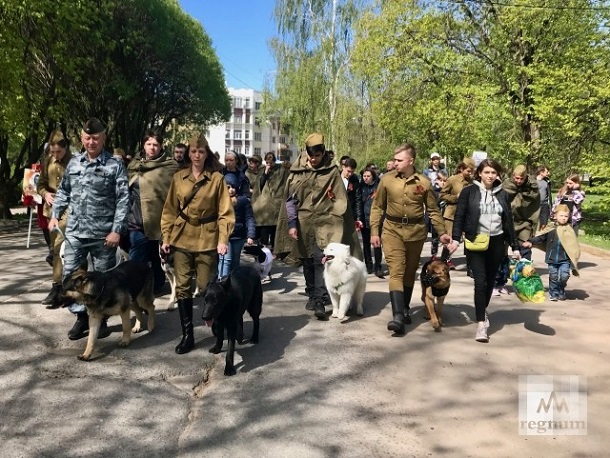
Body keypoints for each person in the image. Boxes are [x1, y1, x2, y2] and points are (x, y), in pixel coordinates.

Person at [48, 118, 130, 340]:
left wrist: (116, 230)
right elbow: (64, 191)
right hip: (75, 231)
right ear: (81, 139)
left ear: (103, 138)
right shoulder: (74, 163)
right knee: (70, 277)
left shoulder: (115, 165)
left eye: (95, 138)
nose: (91, 142)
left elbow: (123, 199)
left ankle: (100, 319)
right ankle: (81, 318)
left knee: (101, 281)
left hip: (104, 235)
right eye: (87, 138)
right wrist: (55, 215)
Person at [160, 133, 234, 354]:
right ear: (188, 153)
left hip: (207, 237)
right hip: (182, 236)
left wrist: (223, 239)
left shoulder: (217, 179)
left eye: (201, 151)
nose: (197, 155)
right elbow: (169, 210)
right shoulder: (179, 178)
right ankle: (187, 335)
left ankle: (218, 325)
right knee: (182, 286)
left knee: (204, 287)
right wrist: (166, 237)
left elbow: (225, 213)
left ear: (206, 153)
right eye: (193, 151)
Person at [274, 133, 362, 319]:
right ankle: (313, 294)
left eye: (318, 156)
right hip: (303, 222)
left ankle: (320, 300)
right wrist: (291, 224)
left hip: (327, 222)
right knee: (306, 259)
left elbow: (341, 199)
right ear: (305, 152)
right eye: (310, 155)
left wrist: (335, 210)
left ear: (323, 153)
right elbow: (290, 201)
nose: (313, 160)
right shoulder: (296, 171)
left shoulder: (331, 171)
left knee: (320, 259)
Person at [370, 143, 450, 335]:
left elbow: (433, 210)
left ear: (410, 161)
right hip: (392, 231)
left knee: (409, 272)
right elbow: (377, 207)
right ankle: (397, 316)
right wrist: (374, 231)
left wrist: (442, 232)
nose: (395, 163)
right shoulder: (387, 180)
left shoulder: (424, 182)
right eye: (395, 159)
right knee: (396, 270)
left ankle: (405, 308)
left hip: (415, 232)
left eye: (399, 160)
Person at [447, 158, 520, 343]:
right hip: (475, 241)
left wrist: (515, 246)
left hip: (497, 243)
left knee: (489, 281)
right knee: (480, 282)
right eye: (487, 172)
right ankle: (481, 324)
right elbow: (460, 216)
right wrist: (455, 239)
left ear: (498, 175)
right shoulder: (469, 192)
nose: (490, 176)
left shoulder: (502, 194)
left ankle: (482, 310)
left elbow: (508, 221)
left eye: (493, 172)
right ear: (479, 173)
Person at [126, 129, 179, 293]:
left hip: (161, 222)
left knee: (157, 259)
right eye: (148, 144)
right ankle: (137, 292)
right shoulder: (134, 165)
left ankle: (157, 284)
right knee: (137, 261)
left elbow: (177, 195)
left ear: (161, 146)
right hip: (137, 221)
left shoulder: (170, 166)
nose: (152, 147)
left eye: (155, 144)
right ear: (143, 146)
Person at [37, 130, 73, 308]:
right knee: (55, 249)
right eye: (52, 152)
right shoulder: (48, 161)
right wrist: (45, 194)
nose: (55, 155)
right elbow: (40, 184)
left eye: (58, 152)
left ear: (65, 148)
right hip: (50, 211)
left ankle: (57, 287)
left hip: (68, 211)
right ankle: (64, 288)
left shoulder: (75, 163)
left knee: (59, 247)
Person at [522, 204, 580, 301]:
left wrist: (574, 260)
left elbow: (573, 246)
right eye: (561, 216)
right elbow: (541, 238)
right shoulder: (551, 229)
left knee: (564, 276)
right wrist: (531, 241)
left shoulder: (569, 230)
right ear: (555, 216)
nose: (564, 218)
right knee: (553, 276)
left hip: (564, 259)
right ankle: (553, 292)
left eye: (566, 216)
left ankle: (561, 288)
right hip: (552, 258)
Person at [217, 172, 256, 278]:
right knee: (226, 260)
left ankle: (234, 283)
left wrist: (250, 235)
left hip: (239, 236)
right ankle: (222, 282)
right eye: (228, 187)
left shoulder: (243, 201)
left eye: (233, 187)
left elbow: (249, 218)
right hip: (225, 236)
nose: (231, 190)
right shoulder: (219, 200)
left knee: (235, 261)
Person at [438, 159, 475, 267]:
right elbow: (442, 195)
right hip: (452, 214)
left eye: (472, 171)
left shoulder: (471, 182)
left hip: (467, 214)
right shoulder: (452, 180)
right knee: (450, 239)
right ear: (461, 169)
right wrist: (456, 197)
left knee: (467, 239)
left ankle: (471, 262)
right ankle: (444, 260)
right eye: (468, 171)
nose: (470, 173)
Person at [252, 151, 290, 250]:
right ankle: (262, 249)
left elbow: (290, 170)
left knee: (275, 228)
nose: (270, 162)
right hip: (264, 206)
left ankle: (274, 249)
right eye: (267, 160)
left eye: (271, 160)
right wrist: (265, 172)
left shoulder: (281, 169)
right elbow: (259, 185)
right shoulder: (262, 170)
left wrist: (286, 164)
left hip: (276, 204)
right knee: (265, 227)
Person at [356, 166, 384, 277]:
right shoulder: (360, 187)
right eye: (364, 176)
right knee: (366, 243)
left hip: (376, 220)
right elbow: (358, 203)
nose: (366, 178)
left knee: (377, 243)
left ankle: (378, 266)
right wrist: (358, 218)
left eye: (368, 176)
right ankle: (368, 265)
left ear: (373, 176)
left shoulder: (378, 186)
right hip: (364, 218)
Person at [429, 169, 449, 261]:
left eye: (445, 181)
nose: (443, 183)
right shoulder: (434, 192)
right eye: (440, 180)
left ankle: (446, 258)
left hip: (447, 218)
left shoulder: (449, 192)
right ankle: (434, 255)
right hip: (436, 219)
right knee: (435, 238)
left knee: (448, 238)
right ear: (436, 180)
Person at [341, 157, 360, 221]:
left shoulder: (355, 179)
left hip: (349, 213)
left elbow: (357, 199)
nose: (350, 174)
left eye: (352, 172)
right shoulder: (335, 177)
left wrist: (358, 218)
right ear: (343, 167)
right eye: (348, 171)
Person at [536, 165, 552, 230]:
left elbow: (549, 194)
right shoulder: (533, 181)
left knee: (544, 223)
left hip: (544, 205)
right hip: (535, 205)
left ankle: (542, 236)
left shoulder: (547, 181)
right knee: (534, 223)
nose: (548, 173)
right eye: (547, 172)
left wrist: (550, 205)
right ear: (541, 172)